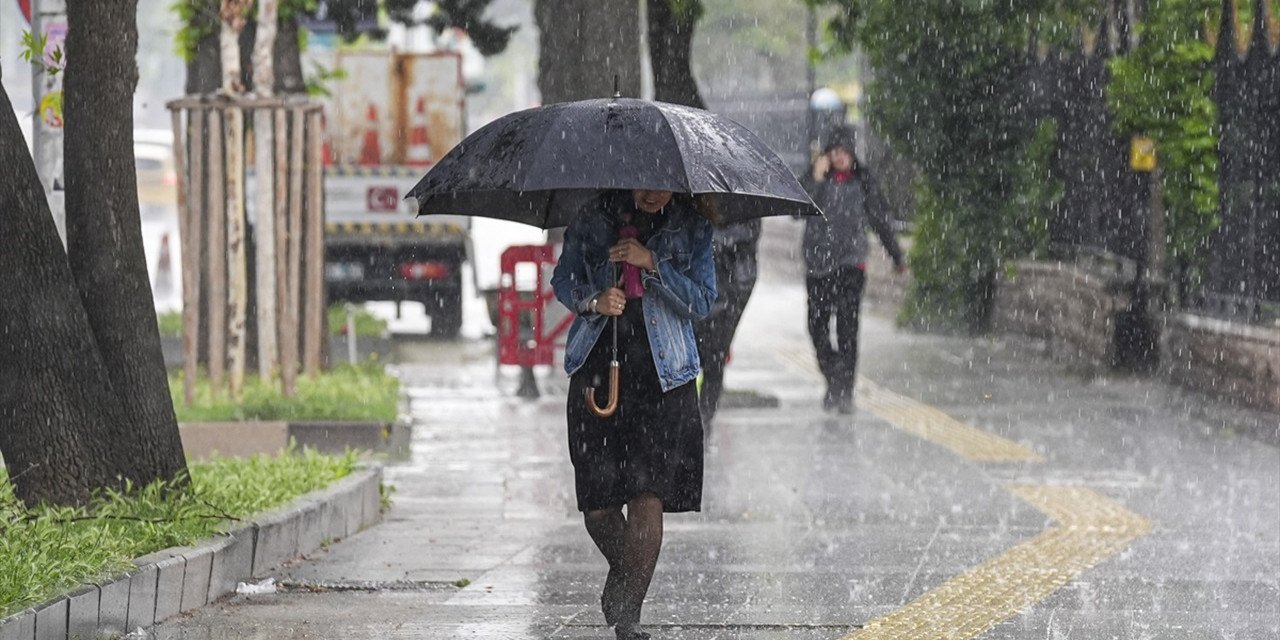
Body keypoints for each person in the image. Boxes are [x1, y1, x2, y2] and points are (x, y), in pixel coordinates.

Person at [551, 189, 716, 640]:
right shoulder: (592, 216)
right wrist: (593, 301)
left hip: (663, 381)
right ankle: (626, 575)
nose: (650, 192)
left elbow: (703, 300)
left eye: (660, 183)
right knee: (599, 505)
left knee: (647, 495)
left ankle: (629, 617)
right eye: (641, 181)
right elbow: (563, 280)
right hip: (598, 373)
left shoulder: (692, 226)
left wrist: (653, 265)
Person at [802, 126, 905, 414]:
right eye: (834, 152)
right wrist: (816, 179)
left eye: (844, 152)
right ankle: (834, 376)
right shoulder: (816, 179)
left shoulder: (864, 181)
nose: (839, 157)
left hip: (850, 266)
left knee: (848, 329)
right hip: (818, 266)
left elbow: (880, 220)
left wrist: (896, 255)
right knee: (816, 327)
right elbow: (797, 211)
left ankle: (844, 392)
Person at [694, 218, 761, 429]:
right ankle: (695, 419)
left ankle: (705, 419)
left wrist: (721, 241)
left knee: (715, 359)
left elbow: (751, 232)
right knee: (692, 356)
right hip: (697, 290)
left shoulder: (744, 201)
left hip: (729, 292)